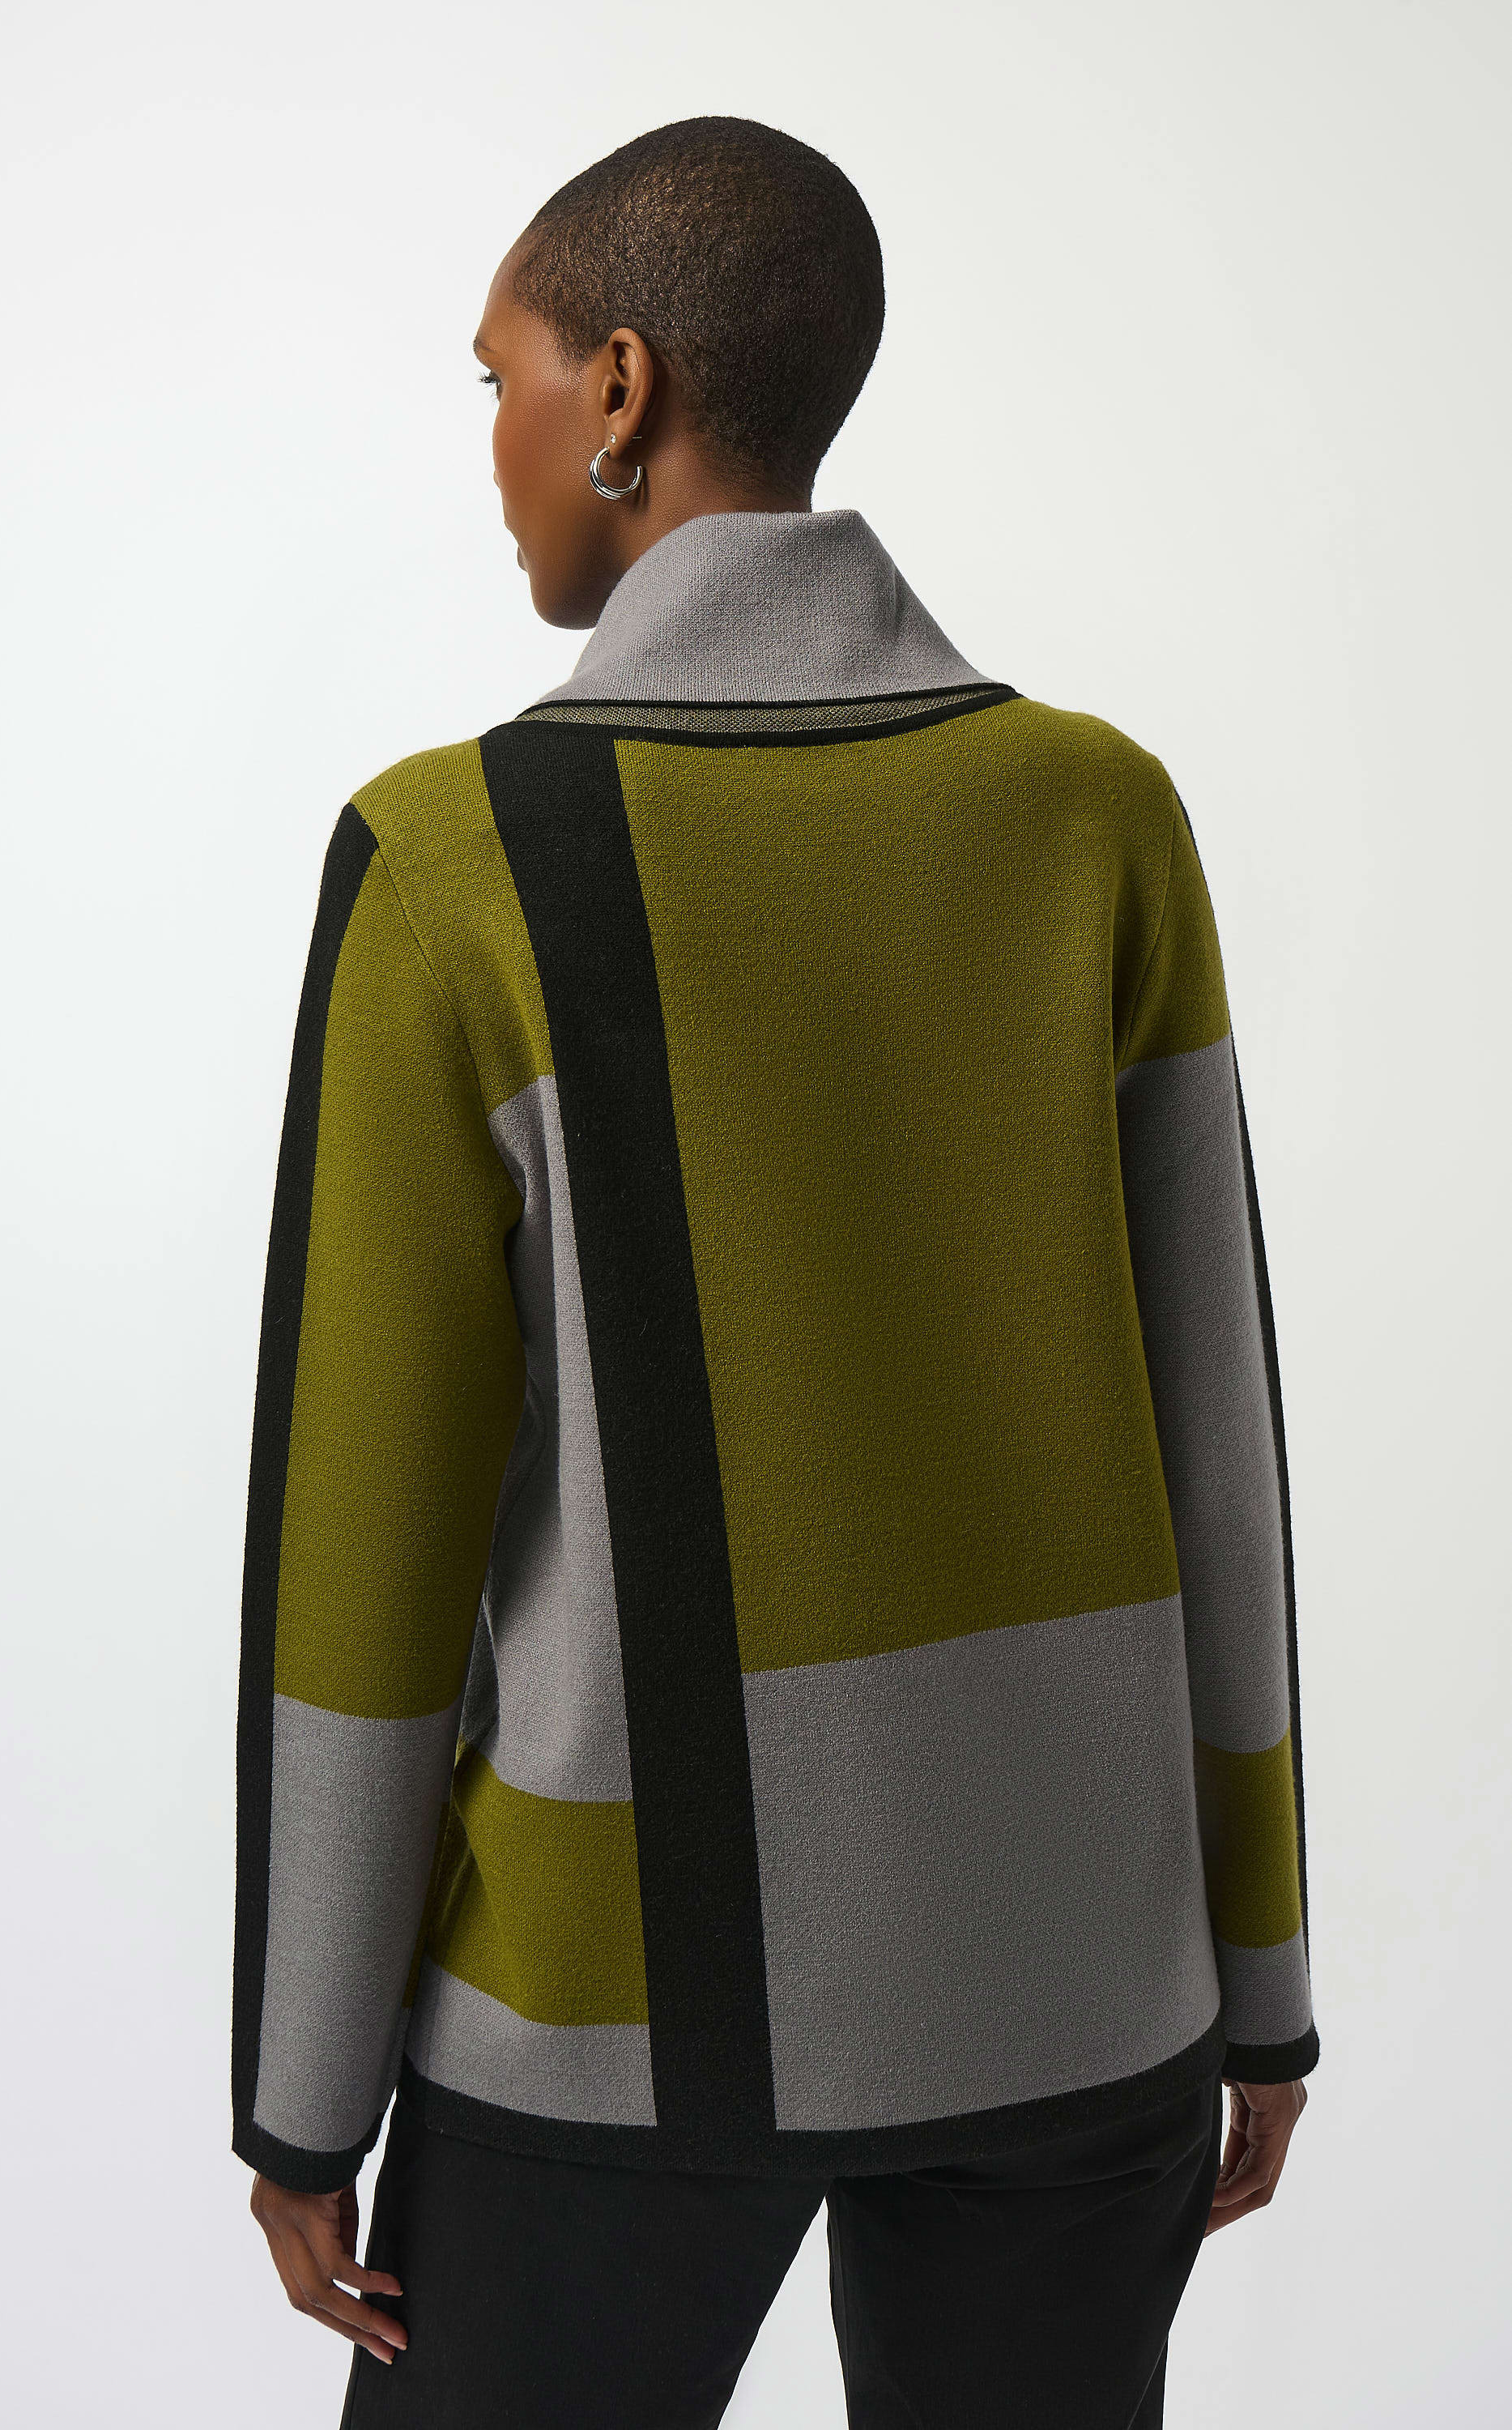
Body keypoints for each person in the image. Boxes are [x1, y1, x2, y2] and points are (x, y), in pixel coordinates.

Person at [232, 115, 1317, 2430]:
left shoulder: (451, 863)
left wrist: (303, 2094)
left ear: (619, 389)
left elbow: (369, 1543)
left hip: (613, 2011)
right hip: (1082, 1984)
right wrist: (1261, 1971)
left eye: (502, 379)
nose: (495, 445)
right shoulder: (1097, 813)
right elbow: (1216, 1443)